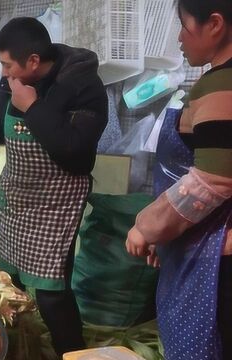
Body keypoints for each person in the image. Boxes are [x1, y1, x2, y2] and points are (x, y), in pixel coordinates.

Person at [0, 17, 108, 356]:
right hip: (19, 197)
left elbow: (75, 152)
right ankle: (13, 347)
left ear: (33, 61)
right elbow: (4, 127)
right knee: (9, 283)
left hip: (56, 203)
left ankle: (71, 352)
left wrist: (33, 106)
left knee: (51, 293)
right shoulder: (15, 80)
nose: (4, 73)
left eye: (7, 64)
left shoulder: (83, 86)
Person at [126, 1, 232, 359]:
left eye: (185, 25)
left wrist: (148, 227)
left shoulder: (225, 82)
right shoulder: (215, 78)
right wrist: (171, 233)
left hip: (217, 263)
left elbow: (211, 182)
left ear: (215, 24)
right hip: (202, 244)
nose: (179, 38)